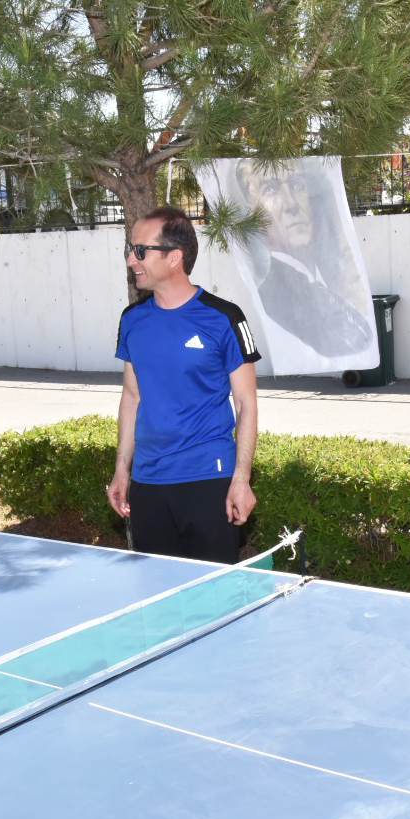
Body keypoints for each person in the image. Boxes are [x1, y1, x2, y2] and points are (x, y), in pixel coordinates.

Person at [106, 206, 261, 564]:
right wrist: (121, 469)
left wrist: (241, 479)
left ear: (174, 257)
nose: (130, 260)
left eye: (140, 250)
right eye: (129, 249)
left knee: (214, 592)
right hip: (148, 482)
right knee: (158, 592)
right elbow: (131, 396)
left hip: (209, 479)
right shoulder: (132, 320)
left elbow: (246, 404)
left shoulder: (225, 317)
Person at [235, 160, 375, 364]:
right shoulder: (272, 289)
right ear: (252, 207)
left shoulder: (328, 269)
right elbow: (344, 342)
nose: (291, 205)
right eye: (270, 189)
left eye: (297, 185)